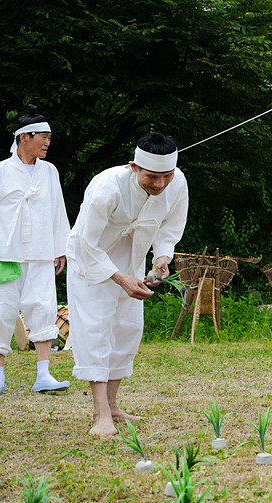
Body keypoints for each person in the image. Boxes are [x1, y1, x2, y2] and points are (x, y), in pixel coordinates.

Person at [66, 132, 189, 437]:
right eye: (151, 177)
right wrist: (118, 277)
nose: (159, 185)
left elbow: (171, 225)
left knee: (127, 328)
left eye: (166, 177)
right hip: (92, 259)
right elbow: (85, 241)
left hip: (132, 258)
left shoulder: (178, 183)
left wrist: (162, 256)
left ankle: (113, 404)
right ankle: (99, 412)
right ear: (133, 167)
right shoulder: (107, 188)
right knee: (97, 326)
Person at [0, 107, 70, 396]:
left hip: (40, 253)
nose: (48, 143)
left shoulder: (49, 171)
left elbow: (58, 212)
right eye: (43, 137)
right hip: (2, 254)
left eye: (49, 137)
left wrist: (61, 249)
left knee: (44, 308)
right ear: (25, 137)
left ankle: (44, 374)